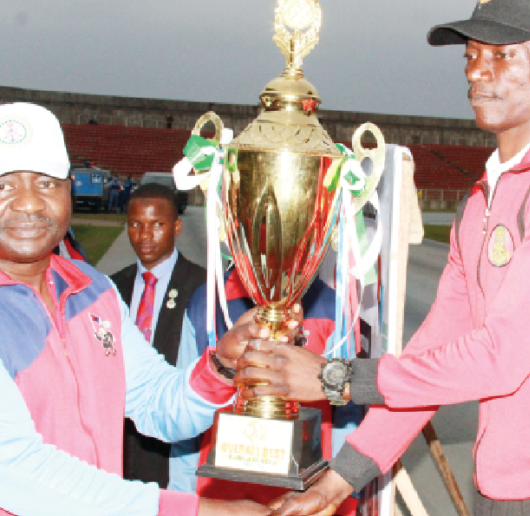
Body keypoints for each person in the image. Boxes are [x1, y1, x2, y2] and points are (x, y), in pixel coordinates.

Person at [239, 0, 530, 515]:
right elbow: (432, 354)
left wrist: (336, 378)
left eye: (504, 55)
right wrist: (343, 478)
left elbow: (501, 357)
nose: (477, 71)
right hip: (504, 491)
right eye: (471, 55)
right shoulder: (483, 199)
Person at [0, 102, 272, 516]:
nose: (28, 204)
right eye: (4, 185)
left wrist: (221, 366)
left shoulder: (94, 291)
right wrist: (198, 511)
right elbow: (16, 470)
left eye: (45, 183)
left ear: (69, 188)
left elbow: (157, 402)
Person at [171, 267, 358, 515]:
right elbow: (183, 410)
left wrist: (343, 494)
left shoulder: (331, 308)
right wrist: (181, 495)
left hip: (304, 495)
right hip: (217, 497)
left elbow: (347, 414)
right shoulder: (206, 303)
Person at [110, 183, 206, 489]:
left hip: (176, 443)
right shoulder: (110, 288)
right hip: (119, 433)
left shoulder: (202, 287)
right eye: (136, 224)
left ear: (176, 227)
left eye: (157, 225)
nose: (144, 235)